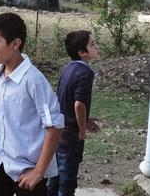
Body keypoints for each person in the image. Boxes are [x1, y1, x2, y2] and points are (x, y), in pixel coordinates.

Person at [0, 12, 64, 196]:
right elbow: (4, 120)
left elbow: (55, 125)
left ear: (16, 43)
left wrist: (39, 172)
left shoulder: (33, 80)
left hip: (26, 171)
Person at [47, 31, 100, 196]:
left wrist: (86, 119)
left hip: (59, 130)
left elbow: (65, 101)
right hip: (71, 135)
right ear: (81, 52)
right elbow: (78, 104)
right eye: (92, 44)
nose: (96, 47)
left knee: (54, 179)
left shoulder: (67, 69)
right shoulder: (86, 73)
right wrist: (82, 130)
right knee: (67, 184)